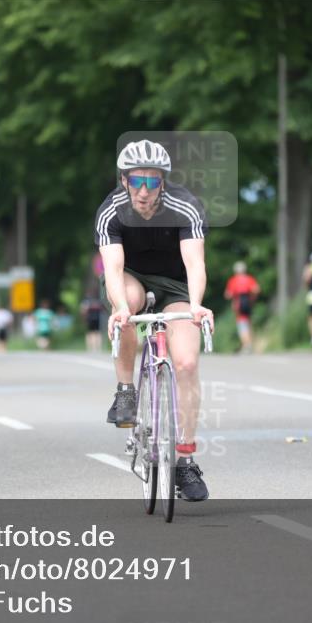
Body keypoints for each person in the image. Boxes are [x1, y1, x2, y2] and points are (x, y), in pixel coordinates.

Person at [95, 139, 214, 502]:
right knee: (128, 306)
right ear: (124, 180)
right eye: (136, 182)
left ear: (163, 182)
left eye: (152, 182)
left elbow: (195, 263)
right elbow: (113, 268)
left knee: (187, 361)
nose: (144, 191)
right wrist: (119, 308)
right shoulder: (111, 211)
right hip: (131, 278)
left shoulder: (186, 206)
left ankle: (186, 461)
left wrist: (196, 305)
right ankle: (126, 391)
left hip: (176, 286)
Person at [223, 261, 260, 353]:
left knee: (242, 324)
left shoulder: (233, 280)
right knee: (248, 322)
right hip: (248, 302)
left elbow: (228, 295)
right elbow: (256, 290)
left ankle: (247, 345)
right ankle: (250, 344)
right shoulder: (249, 279)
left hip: (239, 303)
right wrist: (252, 299)